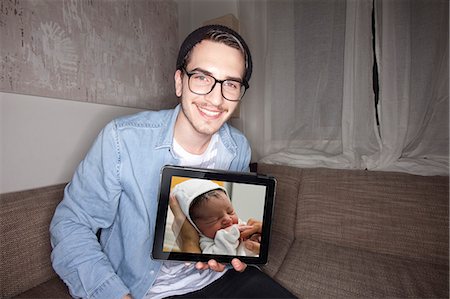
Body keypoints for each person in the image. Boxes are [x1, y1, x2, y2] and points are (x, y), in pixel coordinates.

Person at [50, 24, 296, 299]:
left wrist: (228, 252)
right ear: (179, 81)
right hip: (144, 290)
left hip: (220, 280)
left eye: (231, 84)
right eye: (202, 77)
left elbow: (221, 227)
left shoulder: (238, 146)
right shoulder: (122, 139)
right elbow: (71, 225)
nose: (216, 99)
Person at [171, 178, 258, 256]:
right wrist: (227, 236)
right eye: (213, 219)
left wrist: (255, 237)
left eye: (230, 211)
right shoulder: (206, 242)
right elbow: (220, 259)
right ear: (194, 226)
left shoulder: (239, 224)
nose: (228, 219)